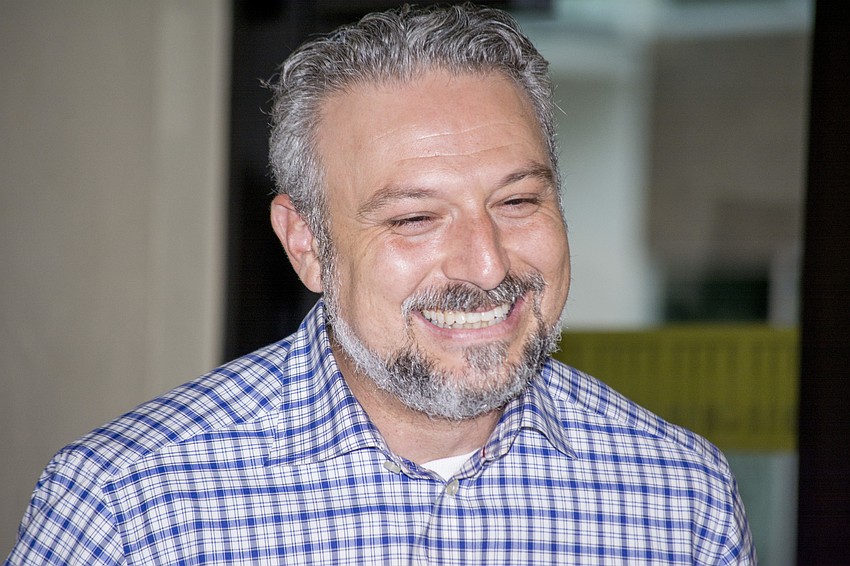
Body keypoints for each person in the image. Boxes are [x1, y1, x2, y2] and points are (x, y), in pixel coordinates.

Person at [6, 4, 755, 564]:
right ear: (307, 244)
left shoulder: (681, 498)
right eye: (414, 219)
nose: (487, 266)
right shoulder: (126, 509)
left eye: (518, 201)